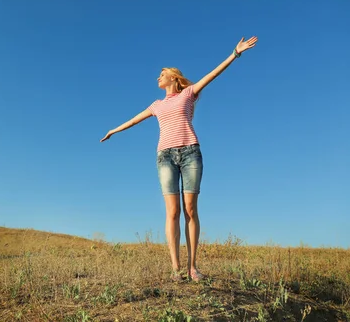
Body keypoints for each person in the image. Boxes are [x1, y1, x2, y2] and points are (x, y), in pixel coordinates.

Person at [100, 37, 258, 282]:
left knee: (190, 210)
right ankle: (175, 269)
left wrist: (235, 53)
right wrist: (114, 130)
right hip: (165, 157)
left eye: (162, 74)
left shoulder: (188, 94)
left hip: (190, 153)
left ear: (173, 77)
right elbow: (133, 120)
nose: (158, 78)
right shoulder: (156, 105)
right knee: (172, 212)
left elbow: (213, 74)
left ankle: (192, 268)